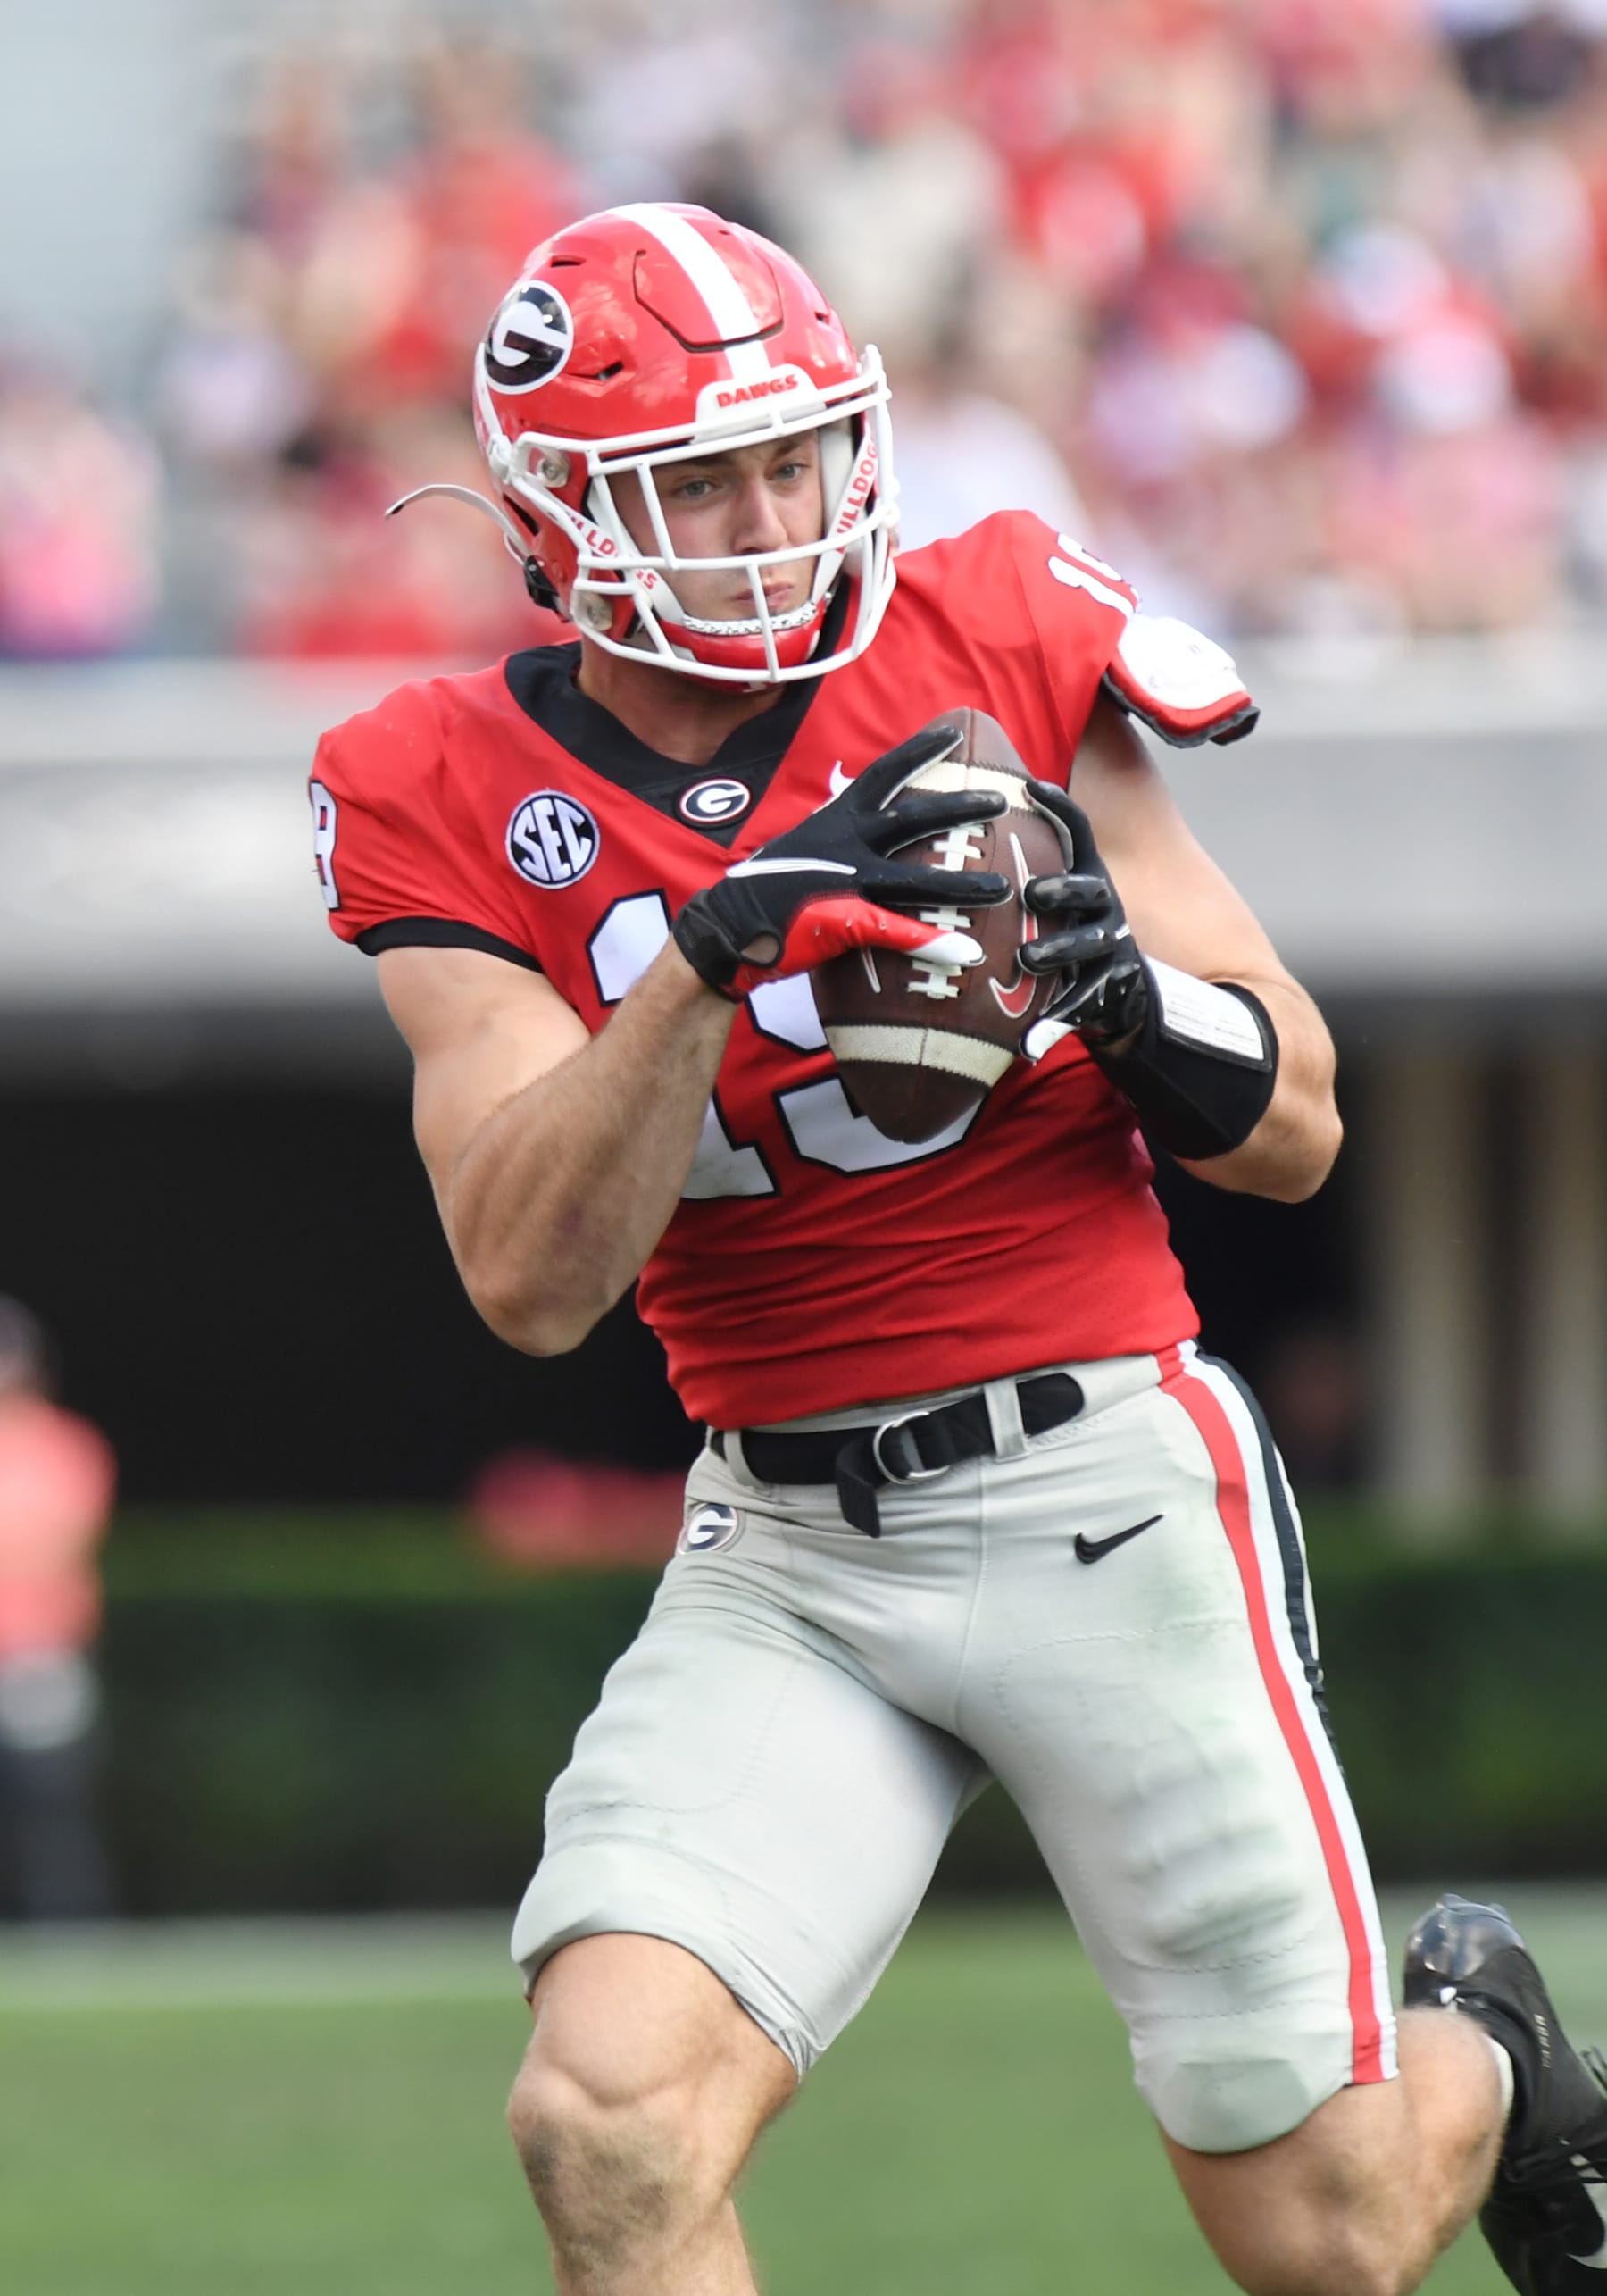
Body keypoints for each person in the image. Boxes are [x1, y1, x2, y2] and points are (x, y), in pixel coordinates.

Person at [310, 204, 1607, 2296]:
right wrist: (716, 958)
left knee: (1332, 2236)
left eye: (793, 454)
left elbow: (1299, 1121)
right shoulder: (441, 785)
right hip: (793, 1550)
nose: (768, 514)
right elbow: (530, 1277)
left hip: (1103, 1480)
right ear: (561, 514)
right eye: (699, 476)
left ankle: (1485, 2039)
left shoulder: (995, 627)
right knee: (606, 2121)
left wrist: (1124, 992)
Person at [0, 1298, 117, 1919]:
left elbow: (52, 1541)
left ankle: (68, 1937)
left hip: (38, 1653)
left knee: (51, 1806)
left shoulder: (66, 1446)